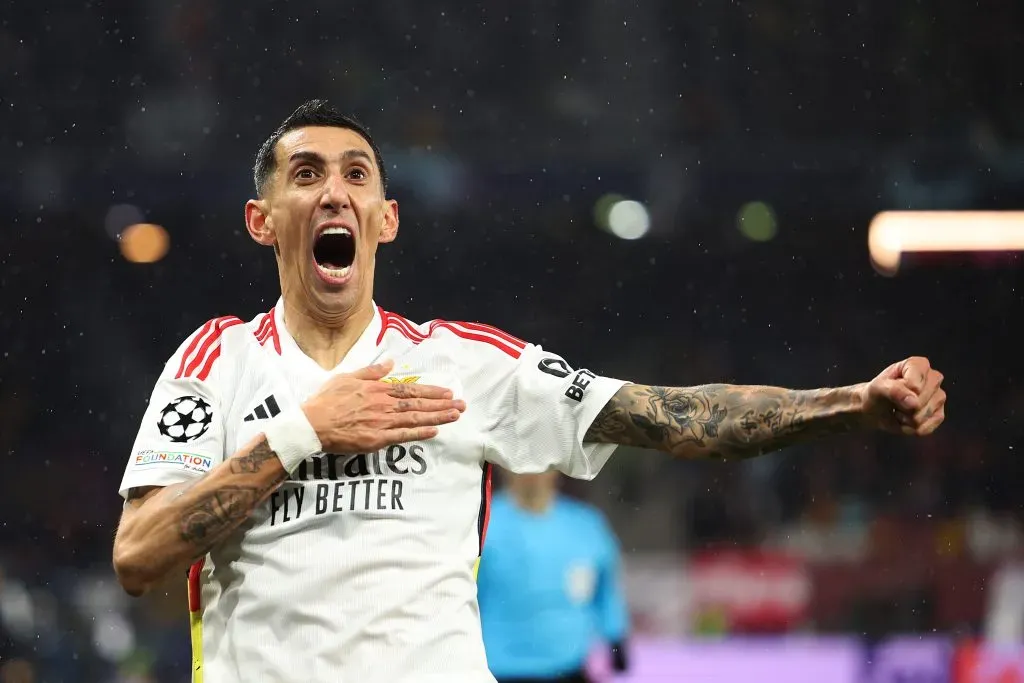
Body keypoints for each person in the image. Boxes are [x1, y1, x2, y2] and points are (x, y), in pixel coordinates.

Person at [111, 99, 947, 683]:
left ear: (386, 217)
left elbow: (672, 416)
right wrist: (301, 433)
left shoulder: (463, 363)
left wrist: (852, 402)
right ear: (263, 219)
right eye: (306, 174)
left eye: (356, 174)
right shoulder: (213, 361)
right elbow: (138, 555)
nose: (334, 190)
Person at [478, 470, 629, 683]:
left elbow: (605, 589)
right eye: (521, 461)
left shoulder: (586, 524)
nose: (531, 471)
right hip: (500, 669)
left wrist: (615, 636)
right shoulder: (483, 524)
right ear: (505, 467)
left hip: (568, 667)